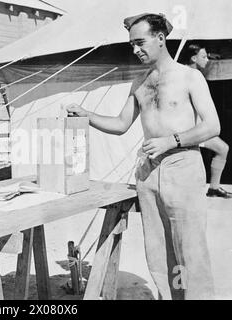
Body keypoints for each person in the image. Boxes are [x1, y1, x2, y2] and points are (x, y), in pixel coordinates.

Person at [66, 13, 218, 299]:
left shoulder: (190, 77)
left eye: (140, 42)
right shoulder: (139, 83)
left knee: (190, 250)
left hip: (183, 167)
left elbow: (212, 126)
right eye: (131, 44)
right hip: (149, 174)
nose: (135, 49)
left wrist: (171, 141)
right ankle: (172, 296)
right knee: (160, 253)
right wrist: (87, 116)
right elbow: (121, 125)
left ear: (160, 39)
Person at [183, 43, 231, 198]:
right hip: (187, 128)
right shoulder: (187, 74)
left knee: (222, 149)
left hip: (197, 125)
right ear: (193, 58)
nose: (207, 60)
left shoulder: (196, 74)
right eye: (203, 57)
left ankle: (214, 188)